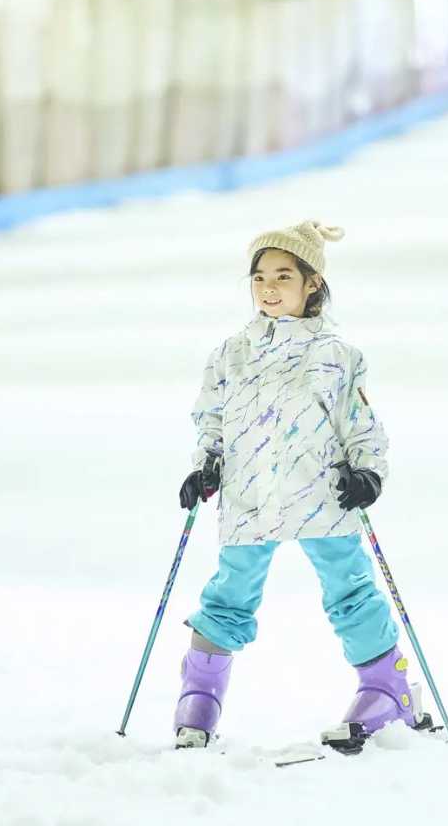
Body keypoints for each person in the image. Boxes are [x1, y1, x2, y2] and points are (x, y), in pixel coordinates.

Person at [172, 220, 421, 749]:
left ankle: (387, 686)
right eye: (259, 277)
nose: (268, 288)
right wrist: (205, 464)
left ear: (313, 283)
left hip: (321, 496)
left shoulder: (337, 355)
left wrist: (368, 472)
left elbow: (361, 423)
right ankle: (200, 694)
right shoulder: (230, 353)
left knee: (349, 591)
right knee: (229, 593)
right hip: (250, 497)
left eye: (283, 276)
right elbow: (211, 418)